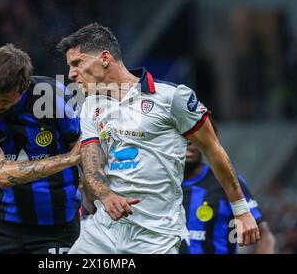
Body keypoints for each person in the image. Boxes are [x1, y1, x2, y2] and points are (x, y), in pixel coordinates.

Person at [57, 23, 260, 254]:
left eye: (77, 63)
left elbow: (213, 150)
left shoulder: (173, 97)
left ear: (104, 58)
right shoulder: (90, 106)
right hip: (104, 232)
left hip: (156, 237)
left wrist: (241, 210)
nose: (71, 74)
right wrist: (106, 195)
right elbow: (91, 166)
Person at [0, 43, 81, 254]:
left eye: (4, 101)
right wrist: (67, 159)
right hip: (0, 225)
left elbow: (82, 147)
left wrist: (100, 194)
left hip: (57, 226)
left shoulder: (53, 96)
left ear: (25, 87)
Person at [180, 122, 276, 254]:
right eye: (182, 136)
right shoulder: (160, 185)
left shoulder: (226, 182)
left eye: (194, 136)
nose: (189, 142)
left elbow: (266, 236)